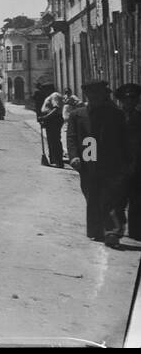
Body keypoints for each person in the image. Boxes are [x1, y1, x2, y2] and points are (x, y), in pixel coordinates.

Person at [65, 80, 129, 247]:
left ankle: (110, 232)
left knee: (108, 197)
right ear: (86, 95)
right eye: (91, 95)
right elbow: (71, 138)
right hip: (88, 161)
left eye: (98, 95)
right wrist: (73, 156)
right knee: (91, 195)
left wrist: (125, 163)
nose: (95, 98)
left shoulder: (115, 114)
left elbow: (124, 139)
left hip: (111, 162)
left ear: (103, 95)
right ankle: (95, 230)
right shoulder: (77, 115)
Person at [116, 83, 141, 241]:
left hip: (138, 165)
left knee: (137, 199)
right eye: (126, 99)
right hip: (119, 165)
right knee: (118, 199)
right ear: (121, 101)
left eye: (133, 99)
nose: (129, 102)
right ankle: (116, 230)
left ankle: (136, 231)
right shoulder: (114, 117)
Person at [39, 89, 65, 167]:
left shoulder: (54, 95)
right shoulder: (51, 96)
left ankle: (59, 161)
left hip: (54, 119)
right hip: (50, 120)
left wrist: (45, 117)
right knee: (51, 140)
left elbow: (56, 109)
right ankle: (54, 160)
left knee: (55, 140)